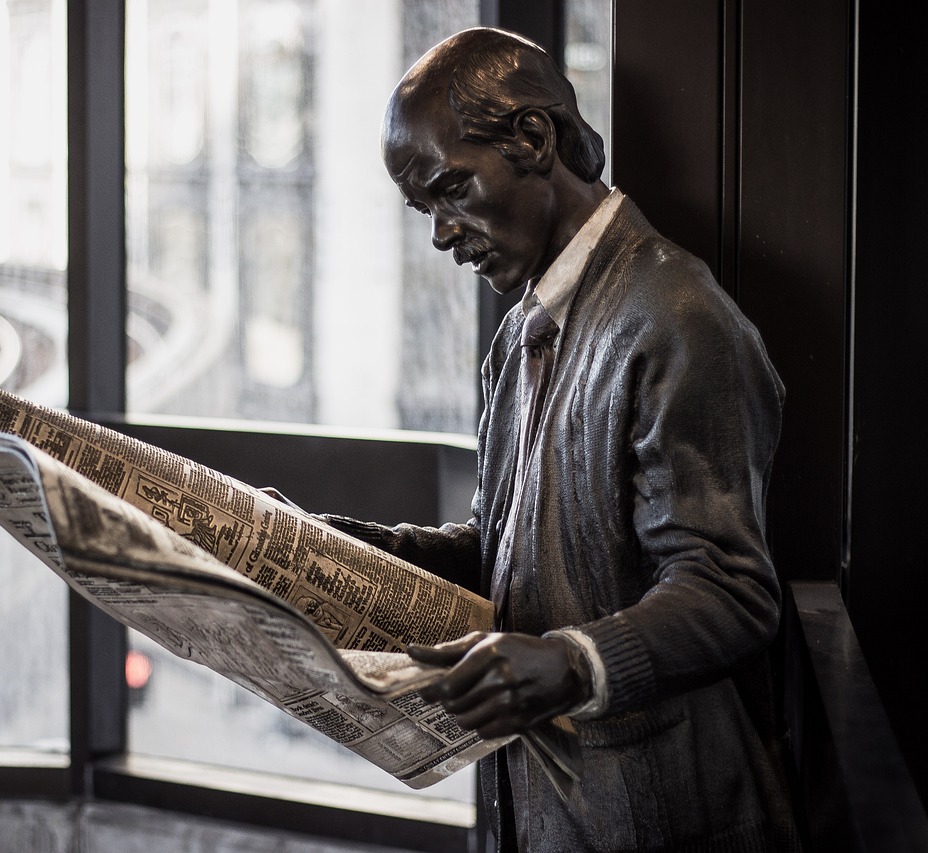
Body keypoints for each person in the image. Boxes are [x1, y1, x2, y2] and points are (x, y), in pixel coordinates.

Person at [315, 26, 799, 852]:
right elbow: (507, 553)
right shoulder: (522, 335)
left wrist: (571, 662)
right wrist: (324, 548)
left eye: (451, 189)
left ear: (534, 140)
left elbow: (730, 588)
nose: (440, 234)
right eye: (424, 208)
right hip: (549, 808)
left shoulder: (678, 317)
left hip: (666, 817)